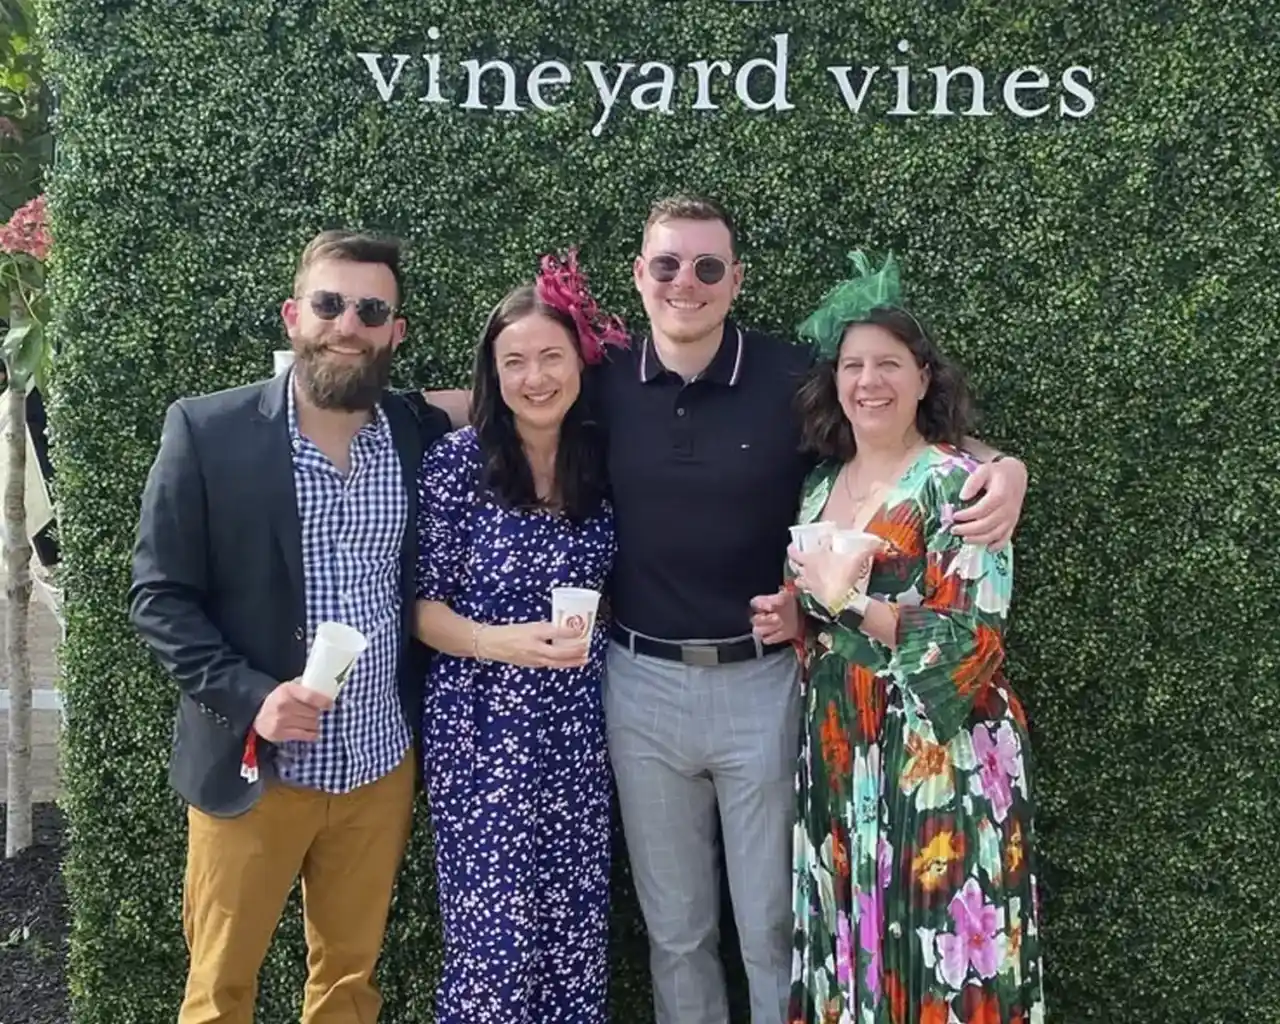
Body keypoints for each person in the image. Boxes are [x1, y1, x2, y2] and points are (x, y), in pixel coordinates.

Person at [425, 195, 1029, 1024]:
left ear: (735, 279)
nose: (687, 283)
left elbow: (892, 424)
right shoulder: (599, 380)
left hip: (763, 685)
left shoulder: (788, 379)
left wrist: (1002, 465)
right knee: (675, 934)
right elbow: (504, 391)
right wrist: (354, 406)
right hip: (637, 686)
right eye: (668, 265)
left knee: (774, 924)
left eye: (709, 267)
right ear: (639, 277)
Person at [128, 229, 451, 1024]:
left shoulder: (415, 435)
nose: (349, 323)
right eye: (330, 303)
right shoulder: (209, 432)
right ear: (293, 316)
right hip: (257, 770)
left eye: (371, 310)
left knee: (348, 987)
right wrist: (252, 697)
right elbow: (158, 597)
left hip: (378, 765)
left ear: (395, 332)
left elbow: (507, 395)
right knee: (220, 992)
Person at [784, 252, 1045, 1023]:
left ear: (924, 379)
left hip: (936, 751)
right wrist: (794, 611)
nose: (870, 381)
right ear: (835, 381)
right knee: (852, 936)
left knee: (935, 941)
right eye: (854, 365)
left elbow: (973, 640)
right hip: (839, 745)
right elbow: (819, 608)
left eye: (890, 364)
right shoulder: (820, 485)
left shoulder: (958, 483)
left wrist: (853, 605)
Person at [412, 251, 622, 1023]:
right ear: (491, 374)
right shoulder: (455, 466)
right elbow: (422, 610)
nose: (536, 378)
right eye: (514, 362)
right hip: (483, 731)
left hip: (578, 733)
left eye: (551, 356)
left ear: (579, 364)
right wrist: (500, 642)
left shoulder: (603, 462)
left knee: (574, 941)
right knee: (493, 952)